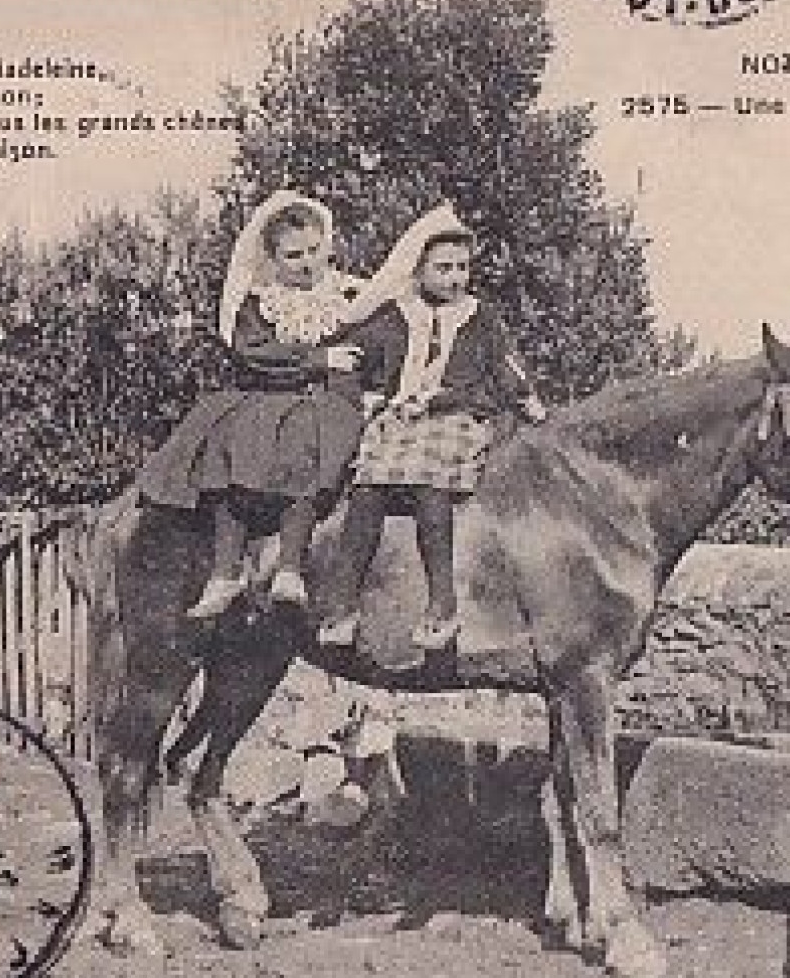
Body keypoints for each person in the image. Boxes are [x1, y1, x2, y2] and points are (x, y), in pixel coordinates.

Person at [316, 204, 546, 650]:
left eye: (462, 267)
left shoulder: (480, 319)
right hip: (400, 420)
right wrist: (360, 394)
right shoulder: (395, 316)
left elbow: (505, 369)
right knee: (367, 485)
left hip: (455, 416)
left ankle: (442, 605)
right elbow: (348, 357)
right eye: (443, 268)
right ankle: (342, 606)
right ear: (417, 271)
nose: (455, 277)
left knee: (430, 481)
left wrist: (529, 402)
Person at [136, 190, 367, 618]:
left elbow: (379, 342)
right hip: (270, 392)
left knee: (314, 441)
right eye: (293, 255)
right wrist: (317, 358)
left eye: (314, 250)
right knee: (228, 436)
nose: (306, 263)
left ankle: (290, 566)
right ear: (274, 260)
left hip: (327, 400)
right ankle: (225, 571)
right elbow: (252, 353)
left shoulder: (350, 295)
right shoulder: (260, 303)